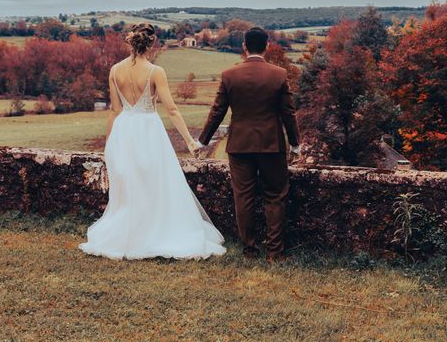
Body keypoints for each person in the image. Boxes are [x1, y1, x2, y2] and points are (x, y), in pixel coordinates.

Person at [79, 23, 226, 260]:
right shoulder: (156, 71)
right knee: (153, 181)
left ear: (131, 42)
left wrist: (109, 144)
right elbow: (172, 109)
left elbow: (114, 110)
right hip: (148, 129)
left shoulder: (115, 70)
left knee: (129, 184)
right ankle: (152, 233)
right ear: (152, 43)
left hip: (124, 130)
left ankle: (131, 235)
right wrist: (189, 141)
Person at [198, 27, 300, 262]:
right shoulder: (279, 74)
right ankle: (275, 252)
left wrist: (203, 141)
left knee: (243, 197)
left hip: (240, 146)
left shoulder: (229, 75)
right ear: (267, 46)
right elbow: (288, 113)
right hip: (271, 145)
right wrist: (295, 144)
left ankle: (250, 250)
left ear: (244, 46)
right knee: (275, 196)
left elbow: (217, 112)